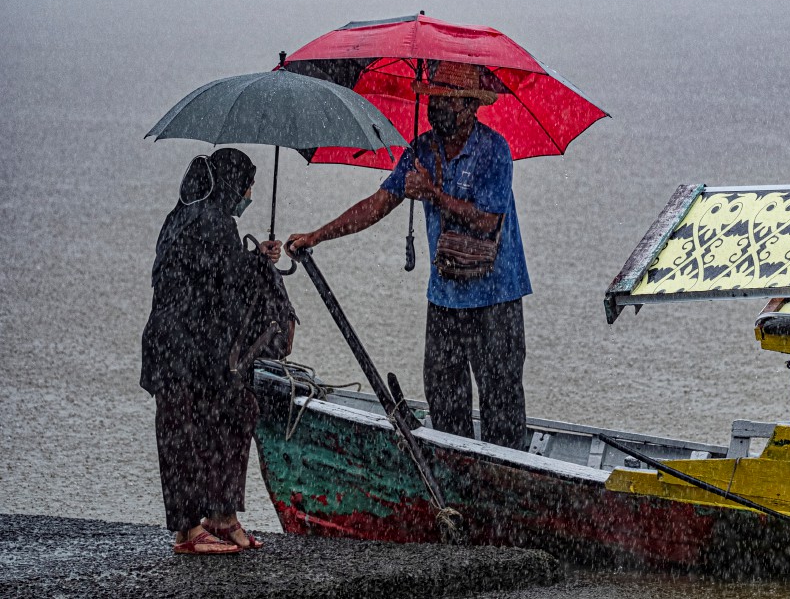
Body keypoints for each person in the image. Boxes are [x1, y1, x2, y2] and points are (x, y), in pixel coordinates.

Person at [287, 60, 531, 450]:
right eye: (432, 100)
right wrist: (317, 235)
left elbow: (487, 222)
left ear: (469, 106)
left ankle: (509, 483)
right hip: (446, 298)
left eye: (446, 101)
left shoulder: (493, 150)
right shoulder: (421, 151)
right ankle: (455, 479)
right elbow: (377, 204)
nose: (435, 109)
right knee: (444, 400)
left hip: (496, 297)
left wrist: (433, 194)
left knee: (501, 403)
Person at [140, 148, 282, 554]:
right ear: (231, 184)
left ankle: (220, 516)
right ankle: (188, 531)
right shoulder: (214, 224)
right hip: (181, 348)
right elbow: (228, 289)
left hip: (181, 346)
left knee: (221, 418)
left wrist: (254, 260)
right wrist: (259, 265)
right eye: (247, 184)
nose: (249, 193)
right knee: (186, 432)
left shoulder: (183, 217)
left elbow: (214, 274)